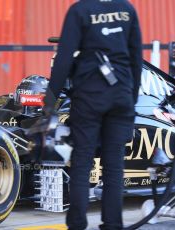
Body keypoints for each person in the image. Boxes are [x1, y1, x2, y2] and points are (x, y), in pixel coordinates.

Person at [43, 0, 142, 229]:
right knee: (114, 166)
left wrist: (49, 102)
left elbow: (64, 59)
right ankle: (113, 224)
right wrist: (131, 96)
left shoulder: (80, 10)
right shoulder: (127, 10)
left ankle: (77, 224)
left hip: (89, 97)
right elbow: (136, 57)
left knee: (82, 162)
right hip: (121, 96)